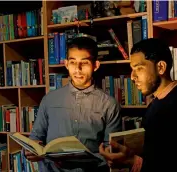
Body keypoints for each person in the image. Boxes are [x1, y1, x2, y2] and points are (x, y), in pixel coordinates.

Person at [25, 37, 122, 172]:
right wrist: (31, 151)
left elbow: (111, 150)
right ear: (66, 64)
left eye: (85, 62)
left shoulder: (109, 104)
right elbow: (36, 137)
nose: (78, 69)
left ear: (96, 65)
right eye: (73, 62)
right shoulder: (49, 99)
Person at [99, 38, 177, 172]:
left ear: (161, 67)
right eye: (132, 69)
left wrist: (133, 162)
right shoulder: (156, 103)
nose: (132, 77)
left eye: (139, 68)